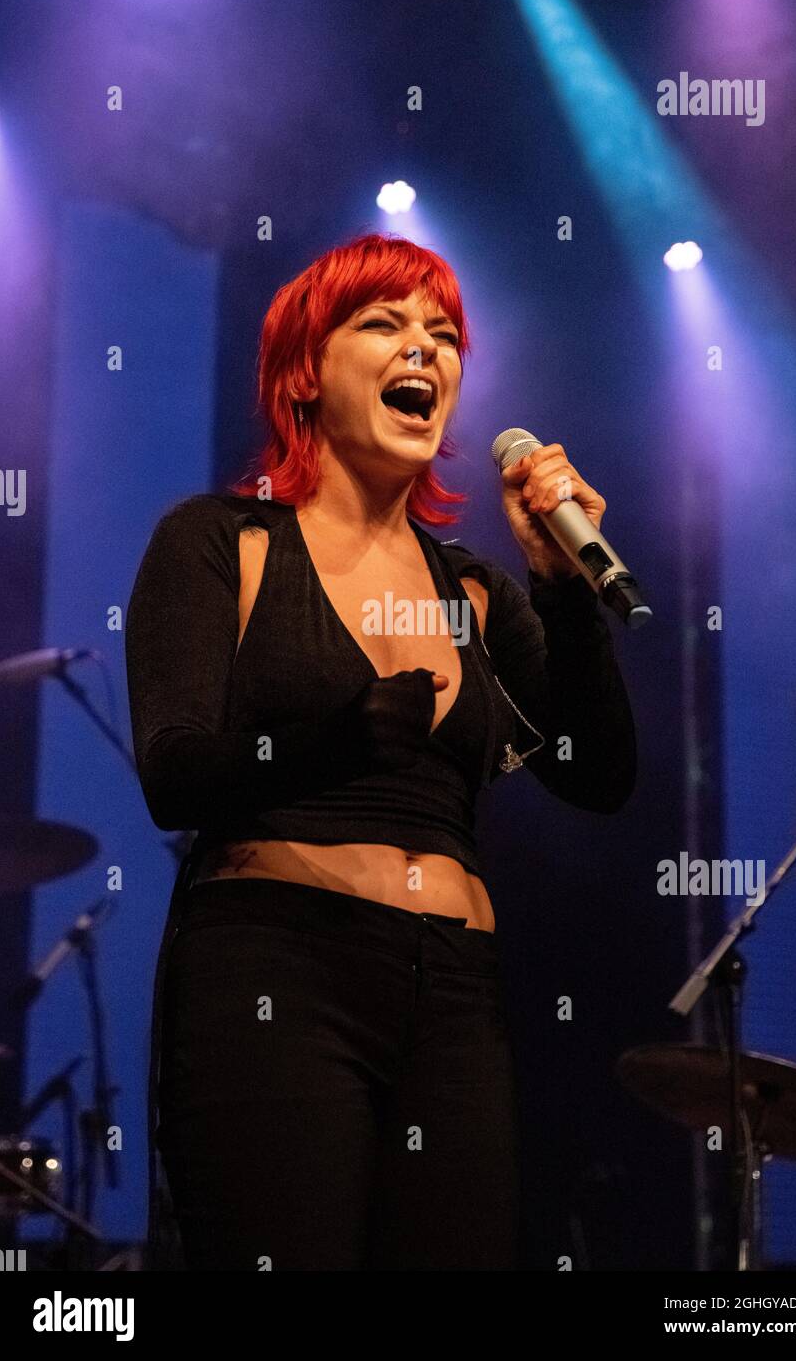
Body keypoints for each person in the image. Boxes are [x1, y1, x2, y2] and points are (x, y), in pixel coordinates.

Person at [125, 232, 636, 1271]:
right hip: (276, 969)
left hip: (454, 990)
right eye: (384, 324)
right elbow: (173, 772)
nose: (425, 350)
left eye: (442, 335)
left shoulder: (475, 592)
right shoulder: (223, 542)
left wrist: (559, 589)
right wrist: (331, 742)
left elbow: (597, 774)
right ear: (305, 371)